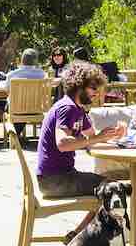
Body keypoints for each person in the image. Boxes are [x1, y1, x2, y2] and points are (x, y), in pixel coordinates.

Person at [34, 62, 125, 199]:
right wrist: (98, 138)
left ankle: (93, 221)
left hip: (61, 176)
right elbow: (63, 143)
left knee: (109, 187)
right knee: (112, 188)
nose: (96, 93)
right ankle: (119, 221)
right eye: (93, 88)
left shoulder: (79, 110)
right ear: (79, 86)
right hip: (54, 180)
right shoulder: (67, 108)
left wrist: (113, 135)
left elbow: (92, 137)